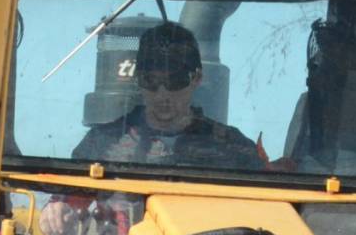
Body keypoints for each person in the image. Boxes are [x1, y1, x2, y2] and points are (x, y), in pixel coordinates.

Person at [72, 22, 264, 171]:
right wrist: (58, 210)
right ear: (138, 80)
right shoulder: (100, 145)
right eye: (151, 81)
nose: (162, 94)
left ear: (197, 78)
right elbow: (68, 202)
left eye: (175, 81)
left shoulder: (235, 149)